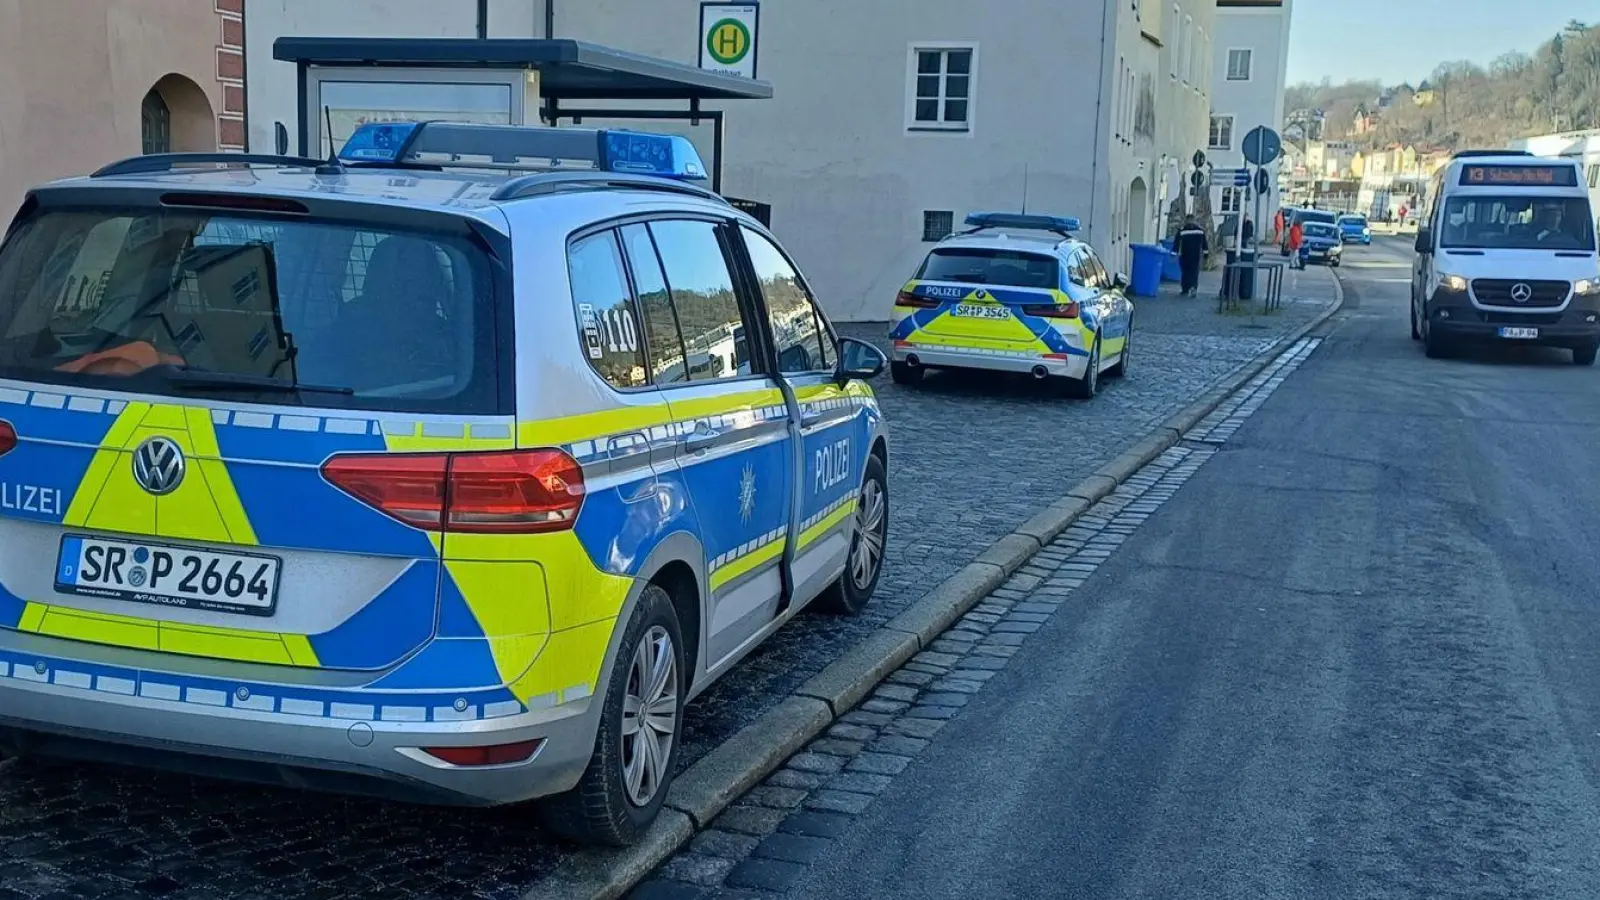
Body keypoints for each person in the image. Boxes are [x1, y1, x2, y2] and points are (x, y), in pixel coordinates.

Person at [1174, 216, 1208, 297]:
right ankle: (1193, 288)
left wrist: (1173, 254)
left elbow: (1176, 243)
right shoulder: (1200, 231)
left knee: (1186, 272)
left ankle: (1185, 289)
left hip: (1185, 255)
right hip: (1195, 255)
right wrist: (1206, 254)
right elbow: (1205, 244)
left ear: (1186, 220)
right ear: (1194, 220)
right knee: (1194, 272)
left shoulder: (1182, 231)